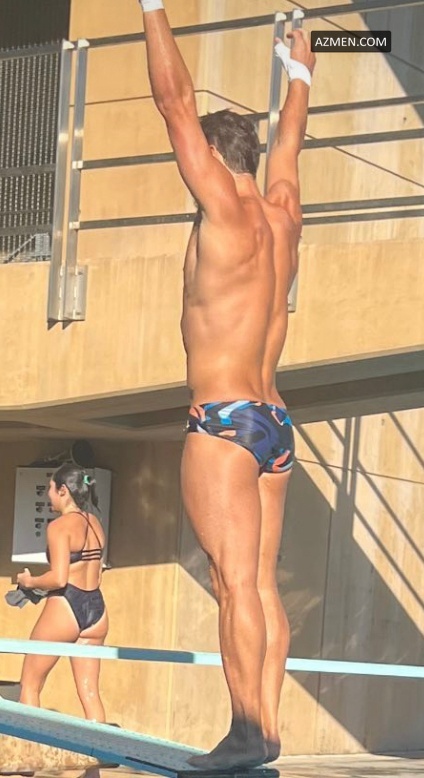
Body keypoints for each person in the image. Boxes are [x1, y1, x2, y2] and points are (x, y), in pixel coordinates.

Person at [139, 0, 315, 768]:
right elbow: (291, 142)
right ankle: (265, 729)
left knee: (233, 583)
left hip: (223, 423)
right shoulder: (282, 214)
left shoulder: (222, 208)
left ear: (211, 157)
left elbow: (174, 100)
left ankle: (246, 731)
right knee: (262, 586)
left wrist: (152, 8)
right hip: (274, 423)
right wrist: (299, 70)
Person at [16, 464, 108, 722]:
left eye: (50, 488)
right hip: (96, 609)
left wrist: (30, 582)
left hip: (67, 605)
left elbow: (58, 577)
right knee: (90, 693)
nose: (48, 494)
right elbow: (97, 572)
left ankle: (29, 747)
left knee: (30, 684)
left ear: (63, 490)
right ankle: (98, 748)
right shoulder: (95, 523)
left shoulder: (59, 527)